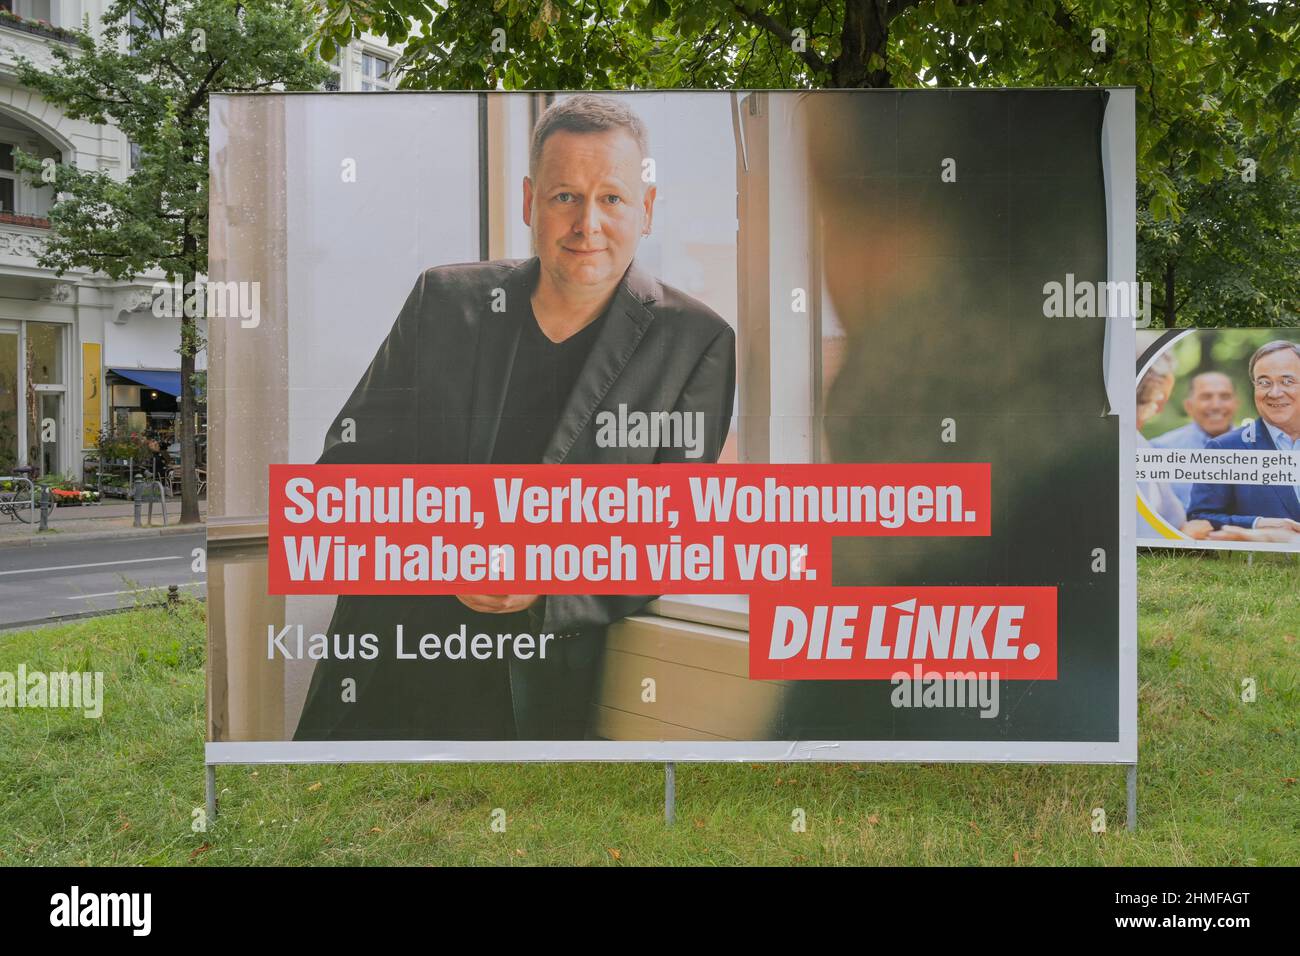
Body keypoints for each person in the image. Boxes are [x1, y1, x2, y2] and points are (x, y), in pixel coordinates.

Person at [293, 94, 737, 741]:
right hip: (389, 673)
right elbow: (343, 472)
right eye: (565, 196)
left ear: (646, 207)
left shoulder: (698, 340)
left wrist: (549, 578)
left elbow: (676, 528)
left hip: (536, 695)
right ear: (530, 201)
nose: (588, 223)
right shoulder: (441, 300)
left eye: (611, 198)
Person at [1186, 340, 1300, 533]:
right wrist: (1257, 524)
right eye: (1264, 383)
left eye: (1287, 381)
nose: (1274, 393)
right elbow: (1200, 518)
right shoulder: (1223, 448)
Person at [1149, 371, 1239, 508]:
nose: (1216, 405)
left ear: (1236, 404)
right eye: (1206, 397)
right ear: (1188, 406)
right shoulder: (1160, 449)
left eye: (1225, 397)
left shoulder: (1260, 447)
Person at [1135, 353, 1188, 537]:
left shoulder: (1143, 447)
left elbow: (1173, 515)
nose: (1160, 409)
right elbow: (1145, 533)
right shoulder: (1138, 450)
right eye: (1161, 400)